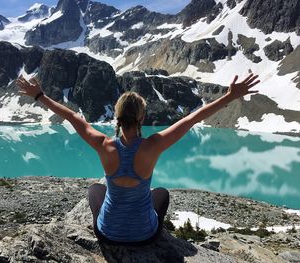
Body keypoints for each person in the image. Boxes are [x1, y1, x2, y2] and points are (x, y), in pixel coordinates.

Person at [16, 73, 260, 246]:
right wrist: (228, 97)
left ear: (117, 116)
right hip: (145, 235)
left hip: (107, 234)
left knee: (95, 189)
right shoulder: (153, 145)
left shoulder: (103, 144)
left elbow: (70, 116)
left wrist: (39, 95)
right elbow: (191, 120)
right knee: (161, 193)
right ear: (141, 118)